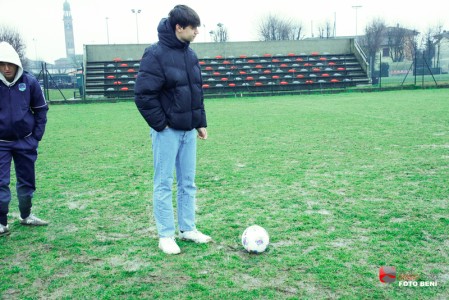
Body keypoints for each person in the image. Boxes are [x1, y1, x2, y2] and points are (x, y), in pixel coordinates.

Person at [134, 5, 211, 254]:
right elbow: (144, 96)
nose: (197, 32)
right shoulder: (155, 54)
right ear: (179, 27)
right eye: (193, 27)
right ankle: (166, 235)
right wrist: (162, 125)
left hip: (189, 131)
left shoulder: (191, 55)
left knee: (188, 183)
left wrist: (199, 122)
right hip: (167, 132)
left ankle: (187, 229)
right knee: (164, 183)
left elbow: (196, 91)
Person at [0, 41, 49, 237]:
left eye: (9, 64)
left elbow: (41, 110)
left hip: (25, 142)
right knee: (1, 182)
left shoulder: (29, 83)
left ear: (16, 64)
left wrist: (36, 136)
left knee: (26, 181)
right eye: (2, 64)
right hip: (1, 144)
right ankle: (1, 223)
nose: (6, 68)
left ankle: (26, 215)